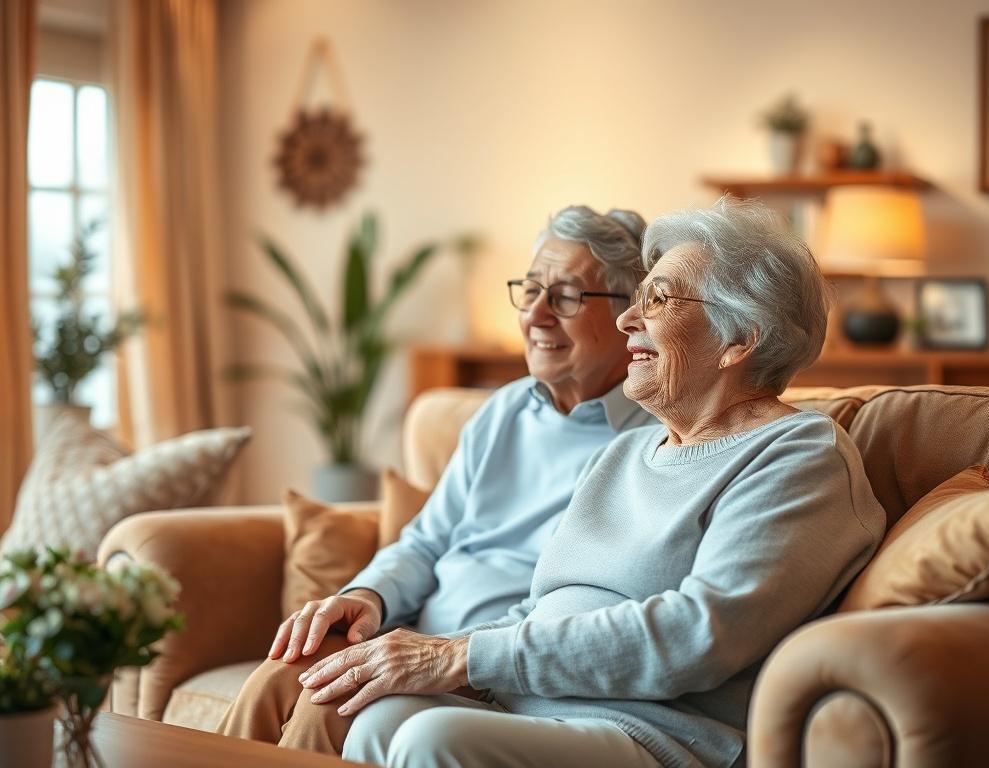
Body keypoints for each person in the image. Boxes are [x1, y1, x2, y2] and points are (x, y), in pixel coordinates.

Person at [294, 197, 887, 768]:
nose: (630, 318)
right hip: (534, 706)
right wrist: (432, 654)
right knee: (374, 715)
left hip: (655, 732)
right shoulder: (627, 452)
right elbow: (538, 608)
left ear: (740, 339)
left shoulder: (797, 456)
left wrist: (464, 656)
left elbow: (699, 633)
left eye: (658, 299)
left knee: (431, 737)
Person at [216, 205, 657, 751]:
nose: (537, 316)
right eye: (531, 291)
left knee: (324, 702)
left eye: (566, 297)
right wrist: (368, 596)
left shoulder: (652, 440)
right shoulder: (502, 412)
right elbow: (425, 542)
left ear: (629, 313)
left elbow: (587, 605)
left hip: (490, 665)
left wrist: (442, 654)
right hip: (410, 642)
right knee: (281, 673)